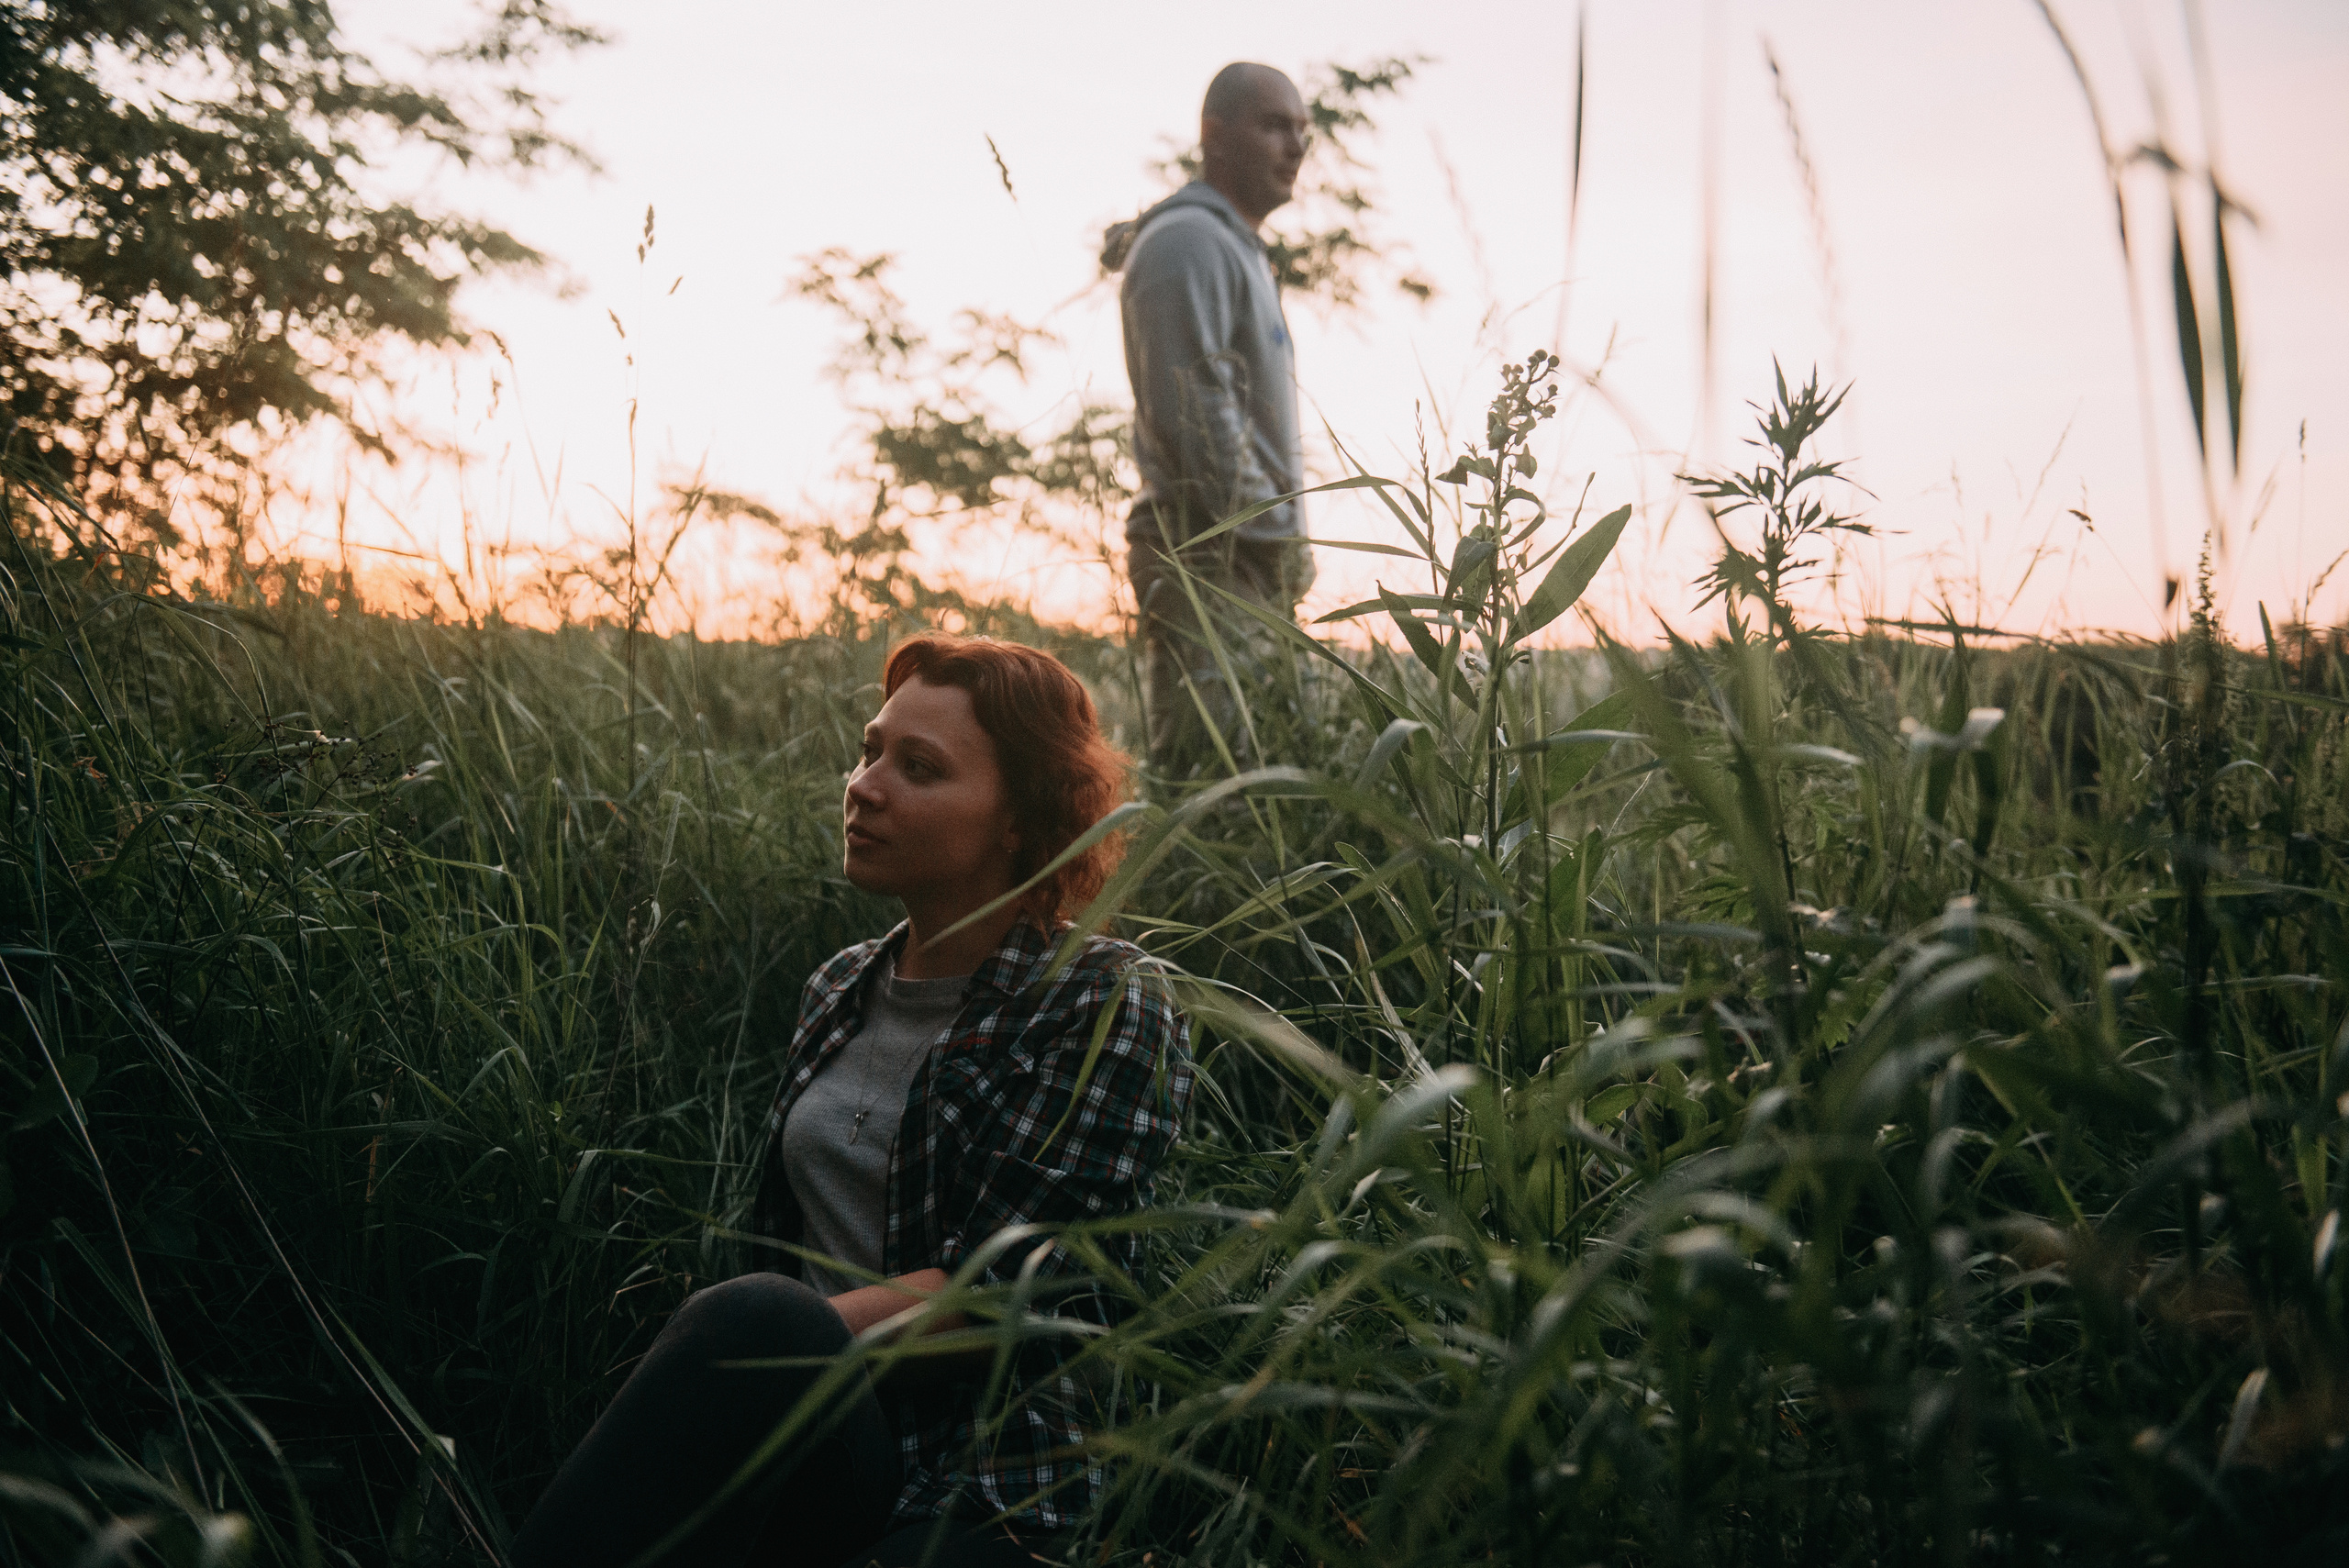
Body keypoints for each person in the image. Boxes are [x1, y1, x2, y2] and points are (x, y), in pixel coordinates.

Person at [510, 634, 1191, 1568]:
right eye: (870, 749)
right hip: (816, 1442)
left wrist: (771, 1351)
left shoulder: (1104, 996)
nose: (864, 784)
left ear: (1022, 822)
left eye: (917, 767)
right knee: (757, 1320)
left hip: (987, 1478)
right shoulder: (838, 986)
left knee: (760, 1317)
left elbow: (1019, 1291)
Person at [1108, 61, 1318, 777]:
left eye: (1303, 130)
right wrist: (1280, 532)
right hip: (1211, 559)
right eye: (1274, 125)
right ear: (1214, 136)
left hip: (1244, 563)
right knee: (1211, 790)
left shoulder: (1235, 249)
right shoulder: (1187, 243)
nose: (1296, 145)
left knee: (1256, 785)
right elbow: (1199, 419)